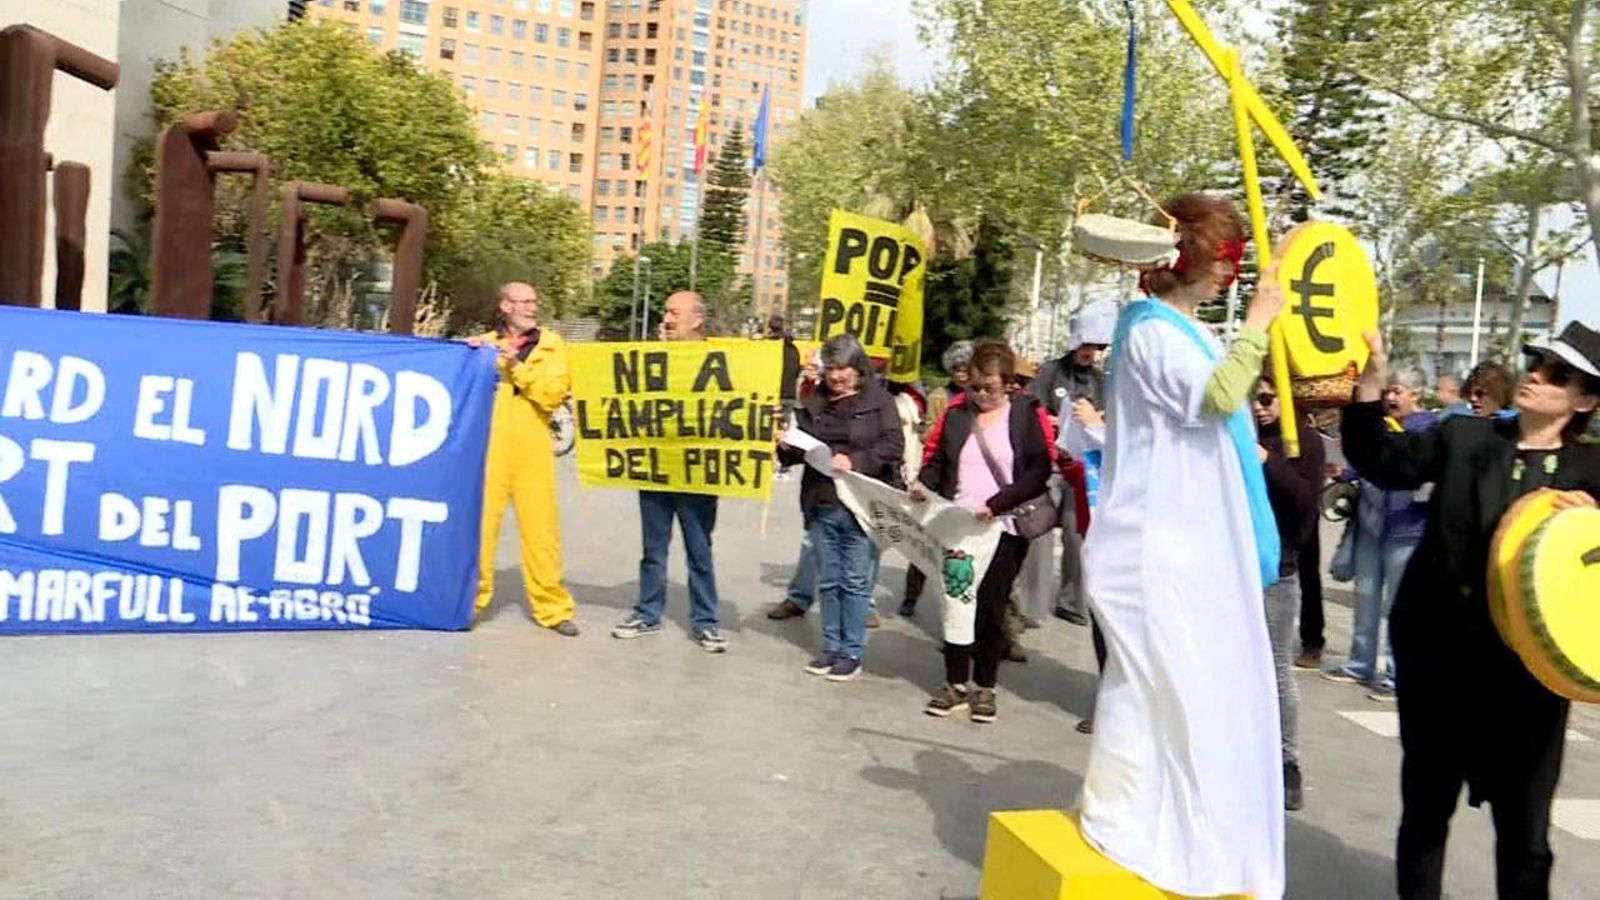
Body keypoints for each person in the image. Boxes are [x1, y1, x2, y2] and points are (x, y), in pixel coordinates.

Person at [1341, 321, 1600, 900]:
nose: (1535, 375)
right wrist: (1369, 387)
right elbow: (1382, 459)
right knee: (1426, 818)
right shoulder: (1466, 440)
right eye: (1536, 362)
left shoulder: (1593, 475)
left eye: (1557, 374)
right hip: (1442, 664)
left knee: (1526, 837)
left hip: (1530, 686)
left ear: (1585, 400)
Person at [1079, 192, 1287, 899]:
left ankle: (1154, 819)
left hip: (1178, 542)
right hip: (1155, 545)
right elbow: (1215, 397)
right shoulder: (1152, 333)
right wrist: (1259, 324)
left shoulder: (1172, 328)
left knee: (1182, 692)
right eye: (1225, 258)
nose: (1232, 273)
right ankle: (1127, 820)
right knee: (1154, 688)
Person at [914, 340, 1053, 723]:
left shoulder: (1024, 415)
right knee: (957, 601)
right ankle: (955, 682)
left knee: (990, 607)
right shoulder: (957, 416)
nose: (981, 395)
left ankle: (985, 685)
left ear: (1009, 384)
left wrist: (998, 504)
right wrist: (922, 485)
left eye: (989, 388)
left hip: (1004, 527)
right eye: (975, 387)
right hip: (959, 525)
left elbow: (1039, 470)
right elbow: (938, 461)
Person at [776, 333, 904, 681]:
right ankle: (830, 647)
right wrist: (783, 441)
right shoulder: (815, 402)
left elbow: (894, 445)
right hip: (821, 502)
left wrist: (857, 460)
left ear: (858, 368)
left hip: (860, 506)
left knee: (855, 581)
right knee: (829, 581)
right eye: (831, 368)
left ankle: (851, 651)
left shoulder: (879, 401)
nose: (836, 376)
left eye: (843, 368)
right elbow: (796, 452)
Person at [611, 292, 729, 652]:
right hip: (656, 469)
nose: (666, 318)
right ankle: (647, 613)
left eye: (674, 313)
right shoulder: (653, 356)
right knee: (653, 549)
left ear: (696, 320)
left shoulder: (719, 360)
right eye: (665, 312)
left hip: (697, 474)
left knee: (699, 551)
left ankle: (706, 622)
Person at [471, 282, 579, 636]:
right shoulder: (484, 345)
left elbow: (552, 394)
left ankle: (553, 608)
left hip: (533, 449)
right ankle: (471, 602)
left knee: (542, 531)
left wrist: (517, 367)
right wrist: (469, 355)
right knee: (481, 529)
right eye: (524, 302)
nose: (532, 307)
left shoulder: (552, 346)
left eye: (535, 300)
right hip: (490, 449)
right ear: (505, 306)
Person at [1324, 367, 1436, 700]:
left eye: (1397, 390)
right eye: (1387, 390)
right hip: (1371, 526)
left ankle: (1396, 675)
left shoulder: (1430, 430)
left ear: (1416, 394)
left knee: (1400, 607)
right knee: (1367, 597)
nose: (1390, 396)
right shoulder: (1379, 425)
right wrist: (1344, 474)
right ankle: (1359, 664)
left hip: (1409, 528)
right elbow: (1370, 460)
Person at [1253, 376, 1326, 811]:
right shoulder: (1242, 433)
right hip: (1234, 566)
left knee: (1276, 667)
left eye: (1266, 399)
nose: (1259, 408)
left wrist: (1267, 460)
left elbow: (1304, 502)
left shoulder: (1305, 443)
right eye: (1254, 399)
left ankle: (1287, 761)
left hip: (1277, 569)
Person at [1029, 301, 1115, 626]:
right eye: (1087, 345)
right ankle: (1029, 606)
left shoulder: (1101, 381)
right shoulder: (1050, 372)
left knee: (1077, 535)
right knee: (1036, 532)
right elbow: (1033, 410)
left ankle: (1072, 601)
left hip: (1082, 470)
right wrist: (1056, 421)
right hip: (1049, 464)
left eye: (1097, 347)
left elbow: (1105, 421)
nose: (1090, 352)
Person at [901, 340, 974, 617]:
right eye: (955, 367)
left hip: (967, 480)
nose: (960, 372)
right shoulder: (940, 396)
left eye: (965, 366)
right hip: (938, 474)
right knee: (925, 539)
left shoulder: (980, 396)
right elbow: (927, 432)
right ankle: (911, 595)